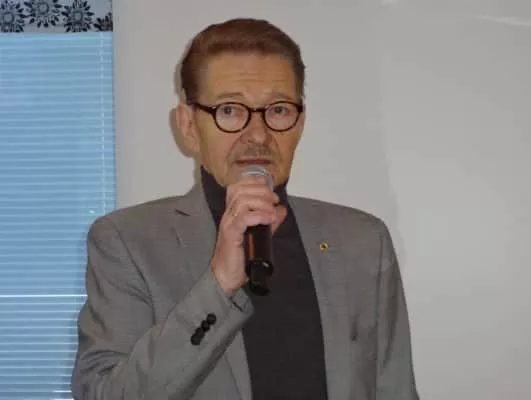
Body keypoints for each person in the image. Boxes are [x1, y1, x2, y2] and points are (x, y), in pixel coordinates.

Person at [71, 17, 419, 400]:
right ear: (188, 126)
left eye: (279, 110)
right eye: (230, 111)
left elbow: (396, 389)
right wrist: (218, 285)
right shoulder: (128, 243)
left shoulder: (363, 240)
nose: (258, 134)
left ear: (300, 123)